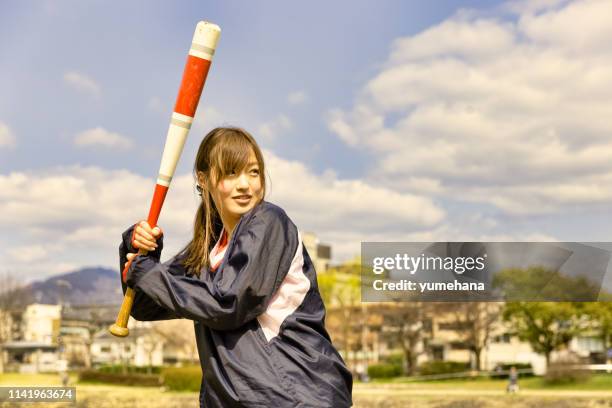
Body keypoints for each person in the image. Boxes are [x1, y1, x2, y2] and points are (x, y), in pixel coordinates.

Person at [119, 127, 353, 407]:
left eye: (253, 172)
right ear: (203, 180)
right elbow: (144, 306)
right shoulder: (206, 251)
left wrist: (147, 272)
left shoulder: (269, 222)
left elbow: (227, 303)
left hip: (296, 395)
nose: (246, 184)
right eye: (231, 173)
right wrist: (140, 251)